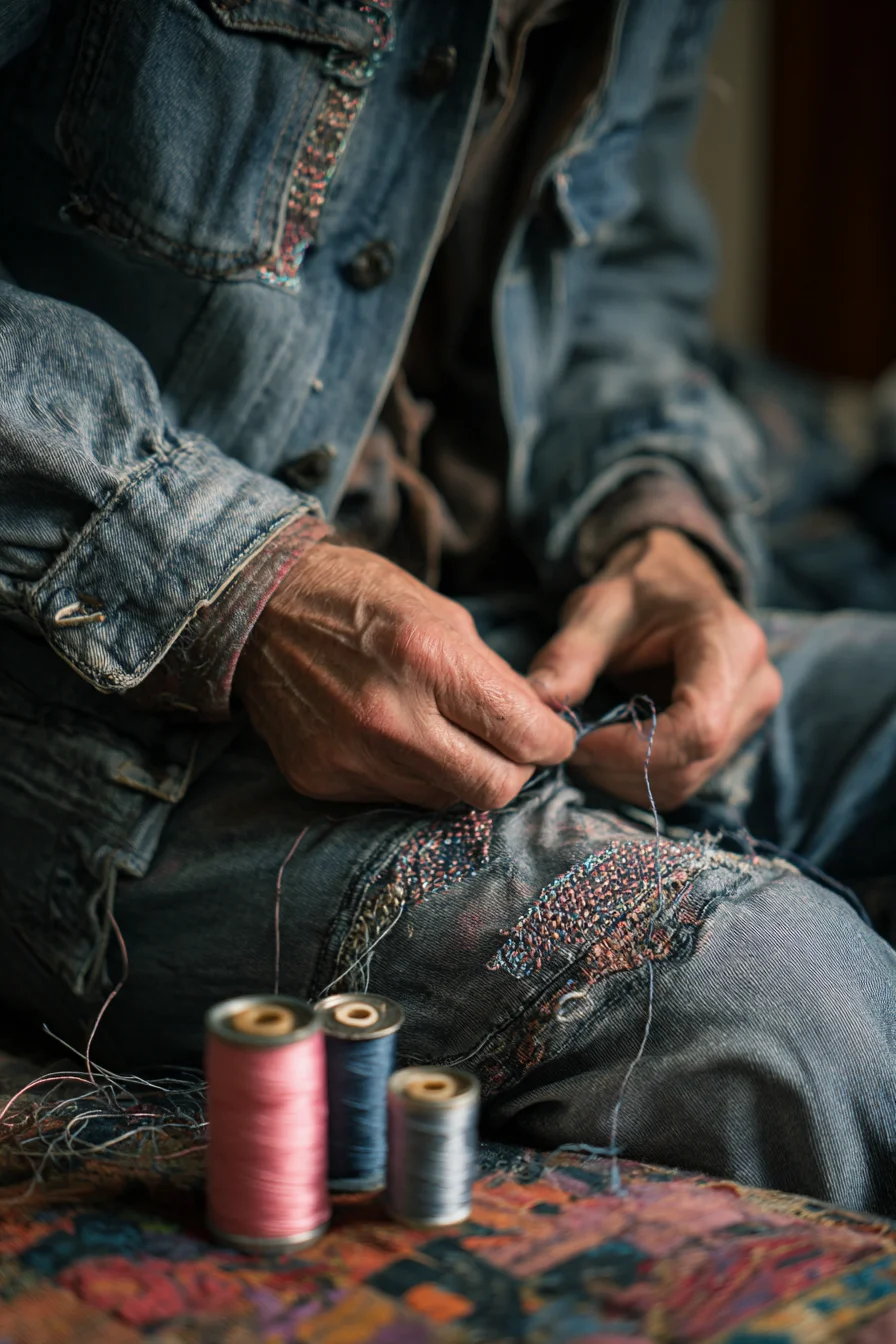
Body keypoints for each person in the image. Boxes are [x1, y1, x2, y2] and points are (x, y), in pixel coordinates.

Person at [0, 0, 893, 1214]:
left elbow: (621, 285)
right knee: (781, 1006)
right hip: (82, 701)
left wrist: (661, 523)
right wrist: (238, 580)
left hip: (517, 622)